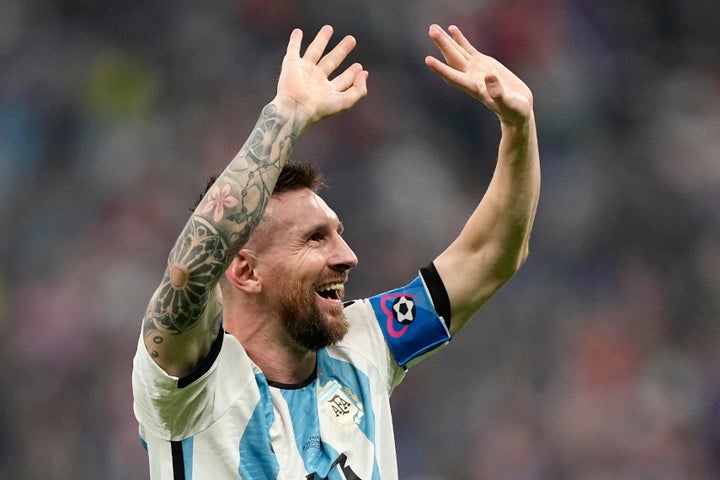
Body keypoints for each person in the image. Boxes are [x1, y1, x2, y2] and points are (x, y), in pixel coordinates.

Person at [132, 23, 540, 479]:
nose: (348, 256)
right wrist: (285, 116)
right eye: (314, 238)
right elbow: (192, 266)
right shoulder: (188, 382)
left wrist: (518, 127)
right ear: (245, 271)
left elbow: (490, 256)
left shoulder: (363, 344)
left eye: (338, 232)